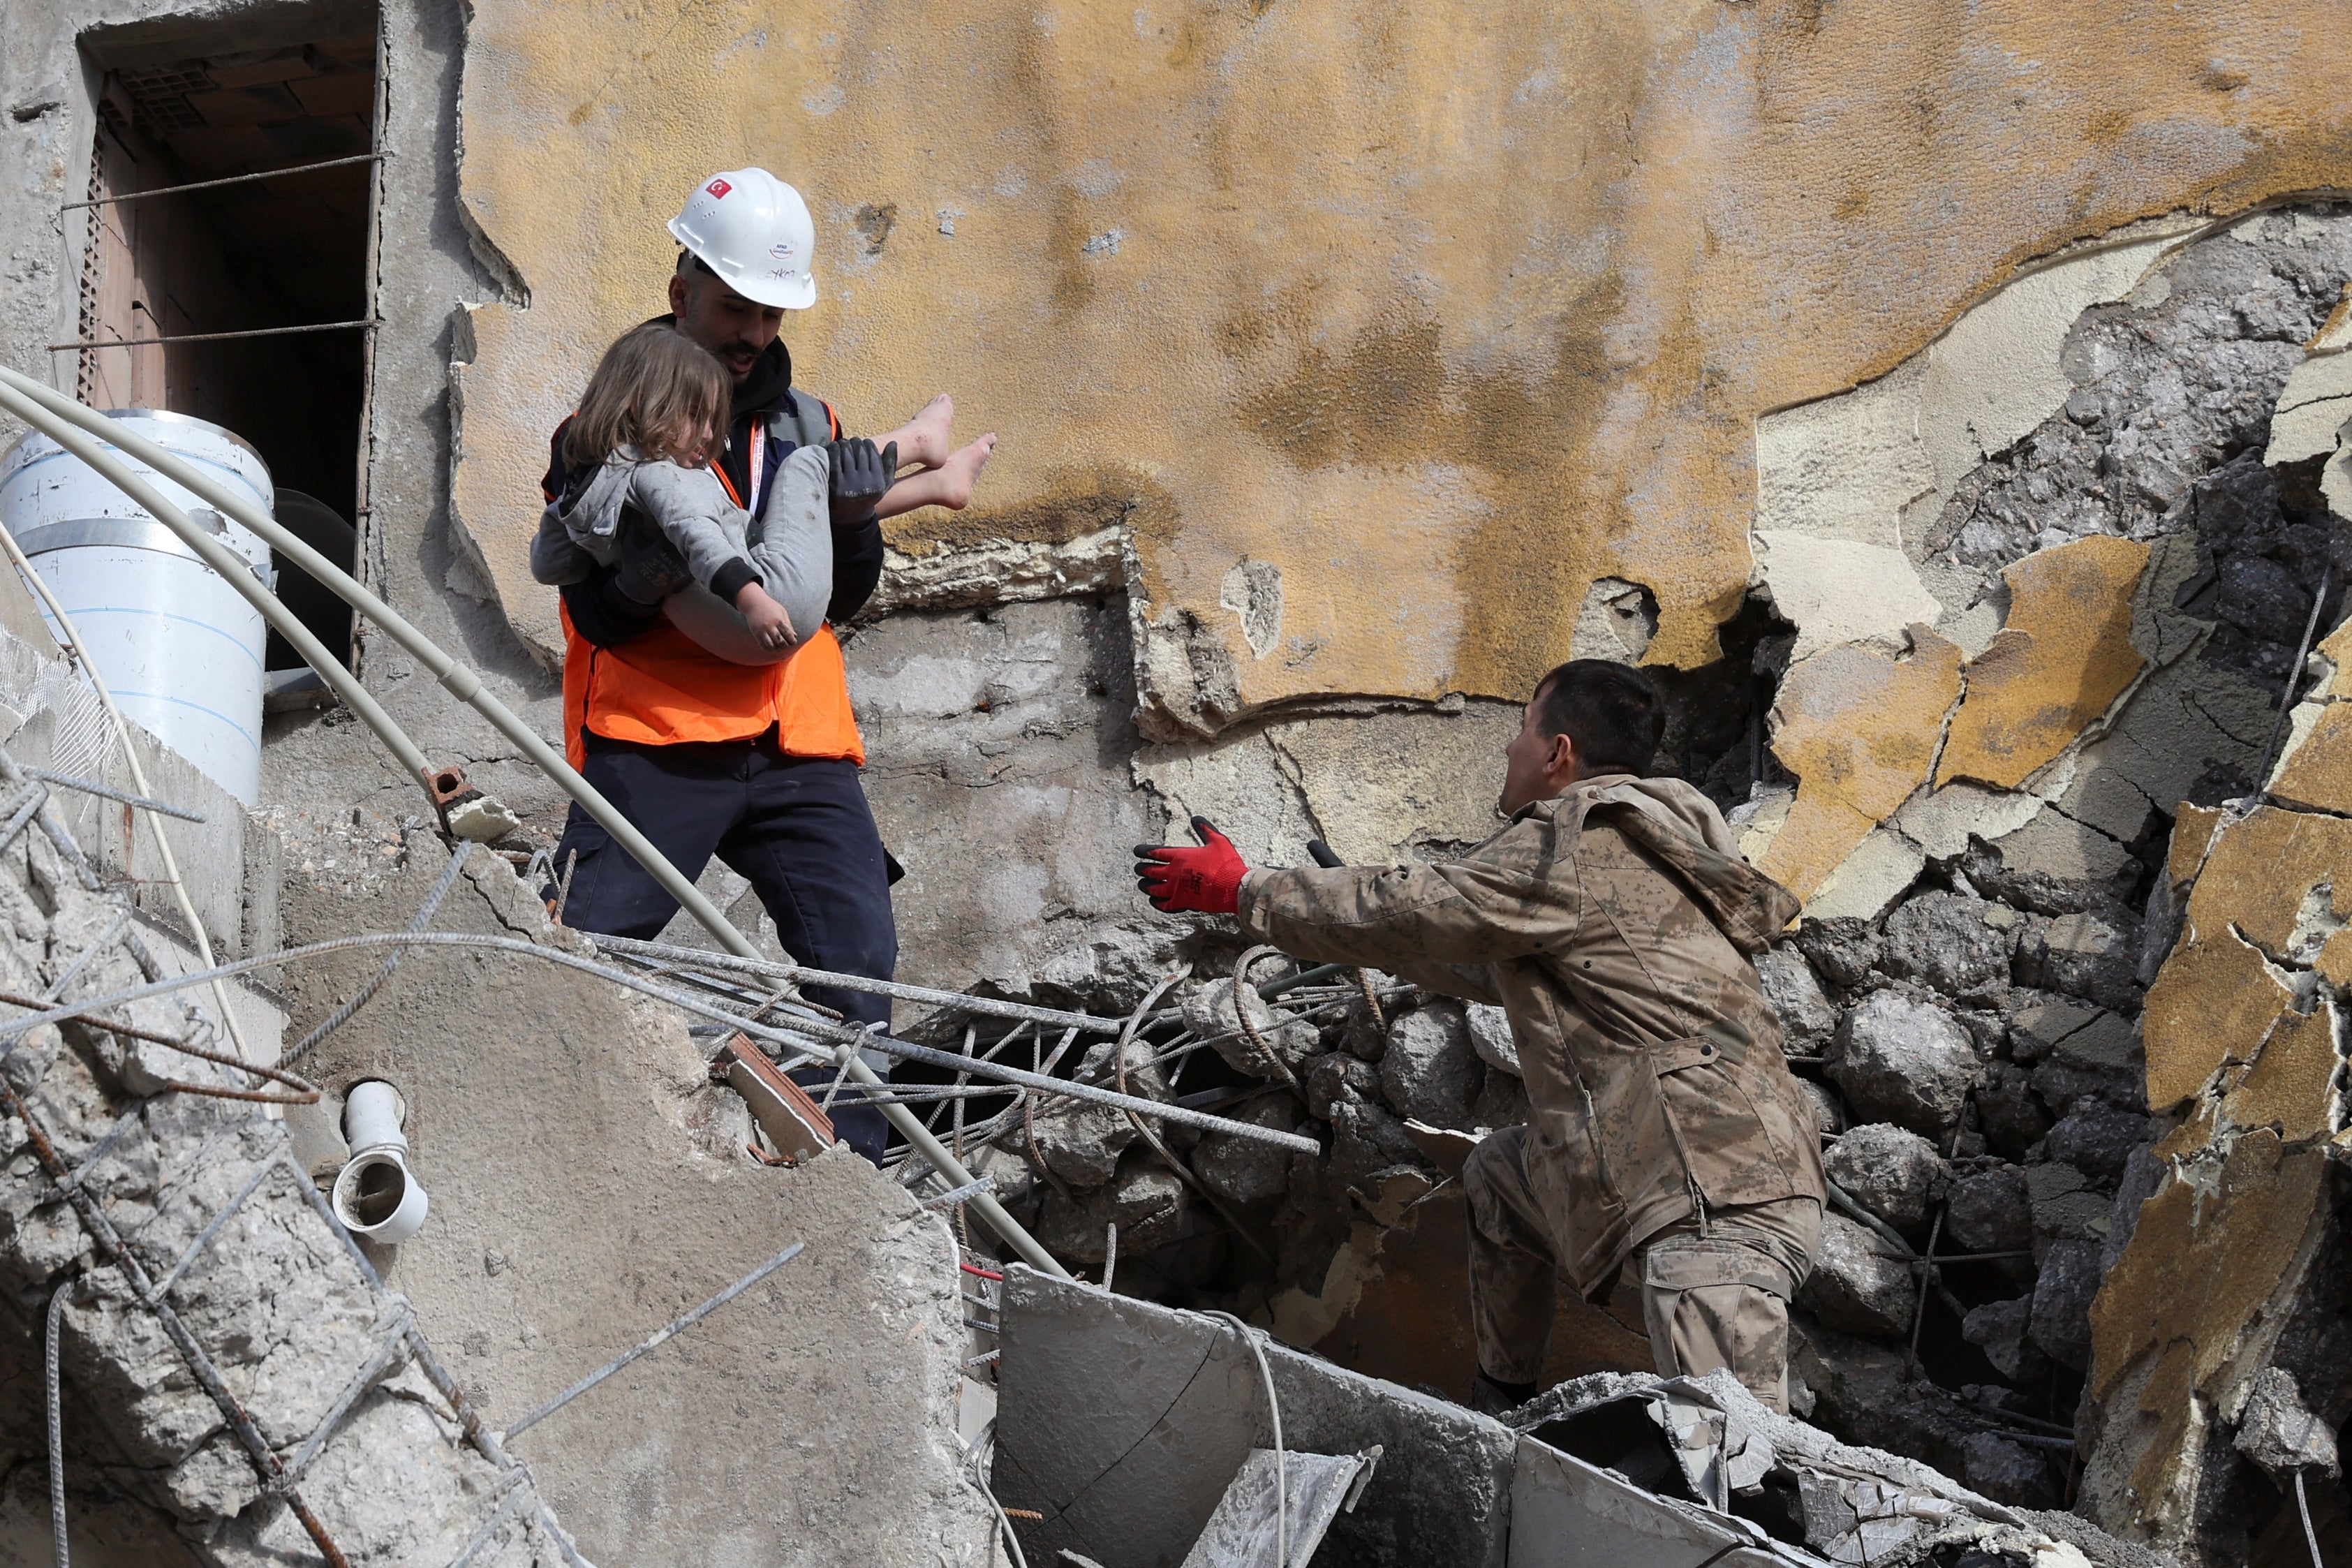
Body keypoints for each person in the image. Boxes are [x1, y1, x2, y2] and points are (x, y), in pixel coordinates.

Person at [1132, 660, 1826, 1413]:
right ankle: (1504, 1405)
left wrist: (1245, 890)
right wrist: (1350, 933)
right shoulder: (1631, 856)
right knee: (1502, 1172)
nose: (1509, 749)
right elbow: (1471, 957)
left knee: (1734, 1470)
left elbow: (1419, 906)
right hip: (1687, 1165)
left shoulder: (1578, 841)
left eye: (1521, 730)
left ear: (1557, 751)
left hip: (1710, 1192)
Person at [543, 168, 991, 1164]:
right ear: (682, 293)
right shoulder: (609, 426)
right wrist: (643, 581)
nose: (753, 331)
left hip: (798, 739)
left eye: (771, 311)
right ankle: (548, 1146)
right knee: (579, 948)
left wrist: (855, 525)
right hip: (657, 738)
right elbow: (588, 607)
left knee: (859, 963)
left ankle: (853, 1187)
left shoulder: (815, 428)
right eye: (735, 305)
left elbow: (844, 596)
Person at [531, 320, 845, 650]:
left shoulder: (599, 482)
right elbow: (698, 535)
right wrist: (753, 602)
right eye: (697, 415)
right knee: (807, 463)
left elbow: (549, 565)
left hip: (719, 634)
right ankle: (906, 442)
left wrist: (628, 577)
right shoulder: (659, 474)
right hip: (772, 600)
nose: (709, 434)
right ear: (643, 406)